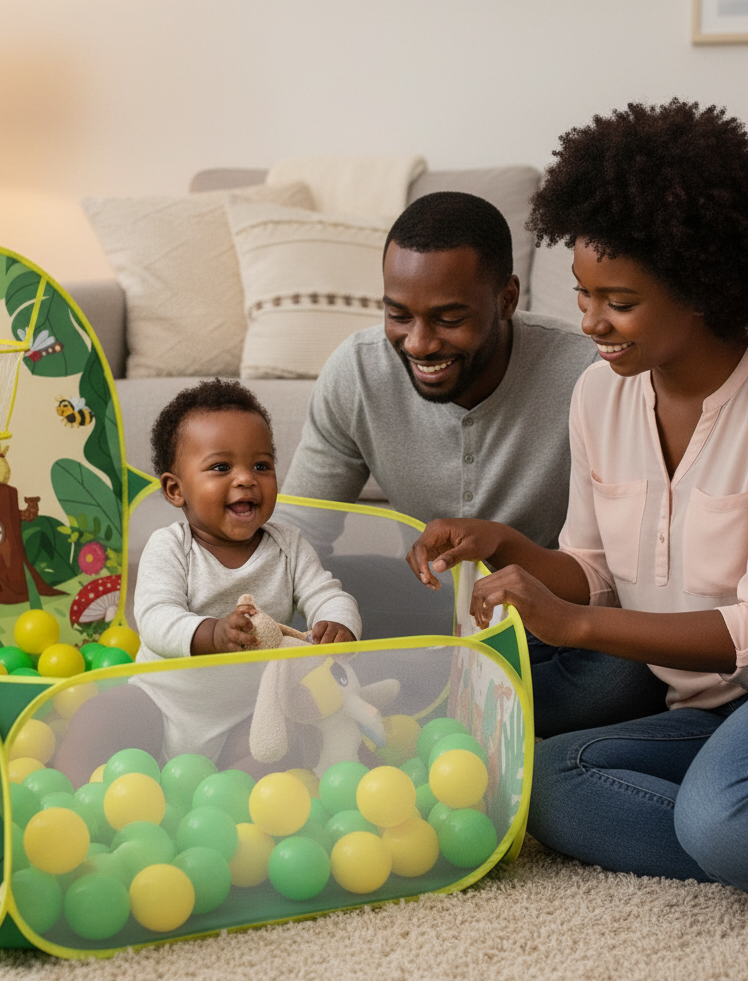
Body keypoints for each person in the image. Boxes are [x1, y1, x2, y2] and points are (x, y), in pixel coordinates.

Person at [406, 98, 748, 889]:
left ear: (703, 286)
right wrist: (505, 545)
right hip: (703, 711)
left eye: (618, 301)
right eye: (583, 295)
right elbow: (590, 564)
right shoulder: (601, 395)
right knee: (545, 780)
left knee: (717, 819)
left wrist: (579, 624)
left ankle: (718, 828)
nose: (591, 322)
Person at [282, 190, 661, 733]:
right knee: (296, 584)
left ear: (507, 298)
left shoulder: (591, 374)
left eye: (449, 318)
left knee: (626, 674)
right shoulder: (358, 373)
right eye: (398, 314)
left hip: (549, 619)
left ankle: (405, 709)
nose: (418, 342)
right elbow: (299, 535)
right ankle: (459, 708)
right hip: (431, 599)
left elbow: (623, 576)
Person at [55, 379, 360, 785]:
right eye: (221, 467)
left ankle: (211, 800)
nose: (246, 479)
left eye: (261, 465)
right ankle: (72, 800)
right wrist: (212, 633)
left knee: (282, 750)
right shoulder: (170, 547)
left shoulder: (289, 546)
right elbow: (155, 618)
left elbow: (327, 594)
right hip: (162, 706)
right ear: (175, 490)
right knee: (100, 715)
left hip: (250, 715)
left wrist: (338, 624)